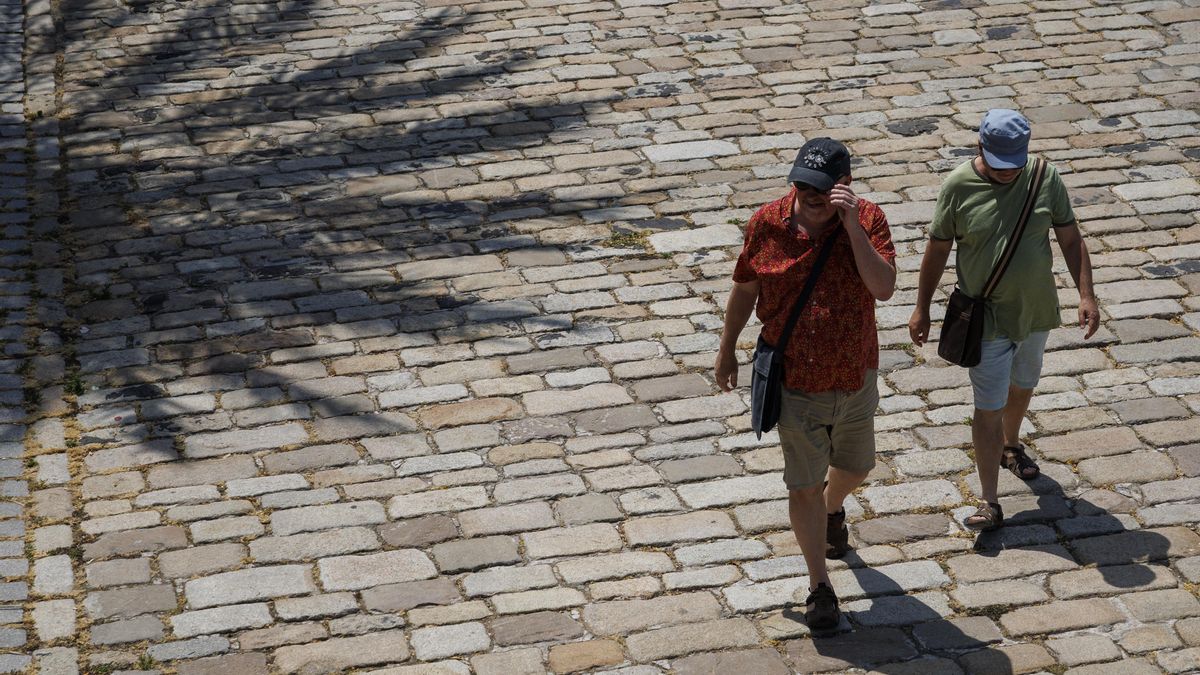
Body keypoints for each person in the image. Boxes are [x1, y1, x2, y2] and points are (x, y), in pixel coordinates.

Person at [715, 138, 896, 630]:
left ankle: (832, 508)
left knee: (857, 466)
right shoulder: (767, 223)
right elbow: (745, 289)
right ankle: (820, 586)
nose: (811, 197)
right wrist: (727, 348)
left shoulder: (869, 219)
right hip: (794, 381)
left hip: (854, 374)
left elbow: (883, 287)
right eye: (803, 186)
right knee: (804, 486)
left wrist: (852, 228)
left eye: (822, 189)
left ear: (845, 185)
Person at [908, 109, 1099, 532]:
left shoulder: (1044, 177)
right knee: (988, 406)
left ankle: (1010, 445)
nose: (1007, 172)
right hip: (986, 319)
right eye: (999, 164)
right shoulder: (958, 185)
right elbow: (937, 249)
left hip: (1035, 311)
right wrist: (922, 307)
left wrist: (1086, 294)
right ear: (980, 146)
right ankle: (989, 500)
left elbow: (1070, 238)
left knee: (1023, 385)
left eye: (1014, 163)